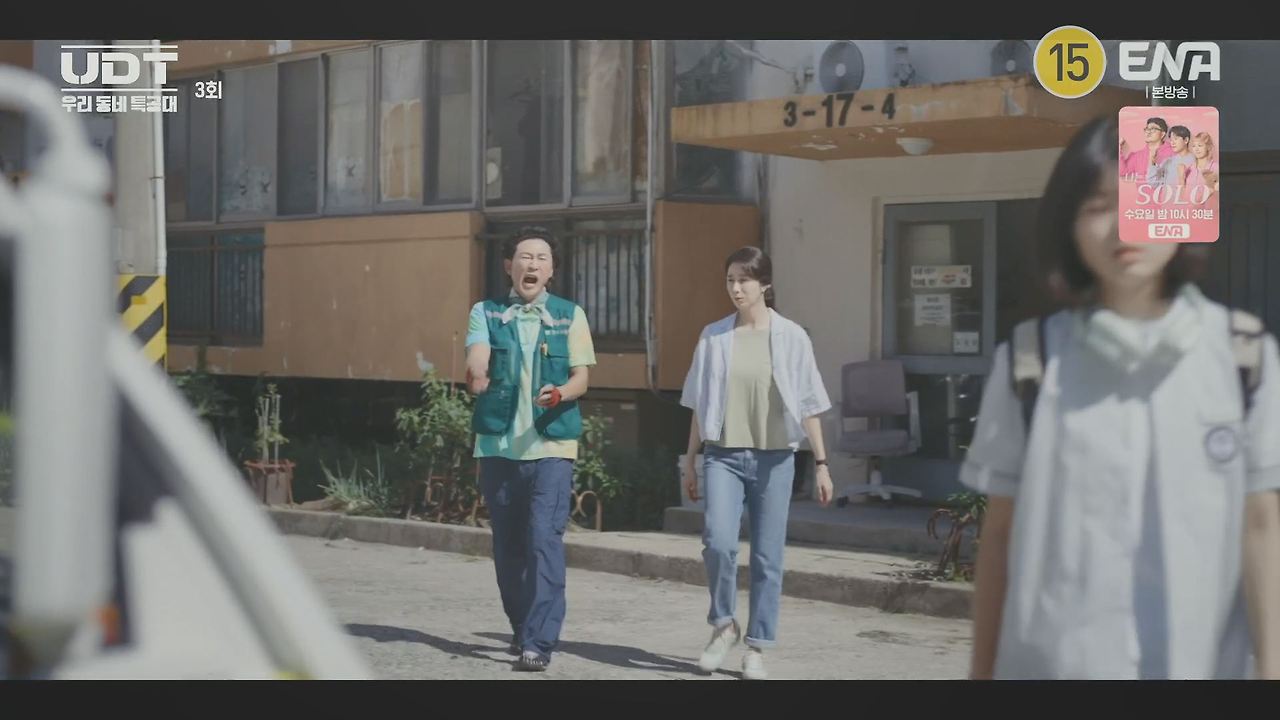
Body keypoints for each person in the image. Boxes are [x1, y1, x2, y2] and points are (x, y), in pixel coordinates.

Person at [964, 115, 1280, 680]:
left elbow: (1260, 526)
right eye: (1097, 205)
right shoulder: (1030, 361)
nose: (1123, 226)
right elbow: (1000, 538)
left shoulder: (1244, 356)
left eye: (1144, 198)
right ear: (1068, 225)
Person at [680, 246, 835, 681]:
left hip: (775, 459)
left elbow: (809, 404)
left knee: (767, 557)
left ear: (765, 284)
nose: (736, 288)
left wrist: (822, 463)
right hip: (723, 455)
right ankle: (723, 625)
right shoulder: (713, 336)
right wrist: (690, 461)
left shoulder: (792, 337)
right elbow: (699, 405)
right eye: (730, 280)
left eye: (744, 280)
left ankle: (757, 647)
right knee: (718, 543)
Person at [464, 226, 597, 672]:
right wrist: (477, 372)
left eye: (541, 258)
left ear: (551, 269)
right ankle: (522, 628)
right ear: (509, 266)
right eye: (524, 257)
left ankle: (540, 641)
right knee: (509, 548)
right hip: (499, 446)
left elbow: (581, 378)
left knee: (544, 540)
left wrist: (560, 393)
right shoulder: (486, 312)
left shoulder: (569, 315)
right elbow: (477, 354)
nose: (532, 264)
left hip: (552, 446)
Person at [1119, 116, 1174, 184]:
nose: (1148, 132)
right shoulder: (1137, 156)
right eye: (1147, 129)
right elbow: (1122, 172)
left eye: (1153, 129)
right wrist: (1119, 148)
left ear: (1162, 134)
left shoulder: (1173, 153)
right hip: (1142, 190)